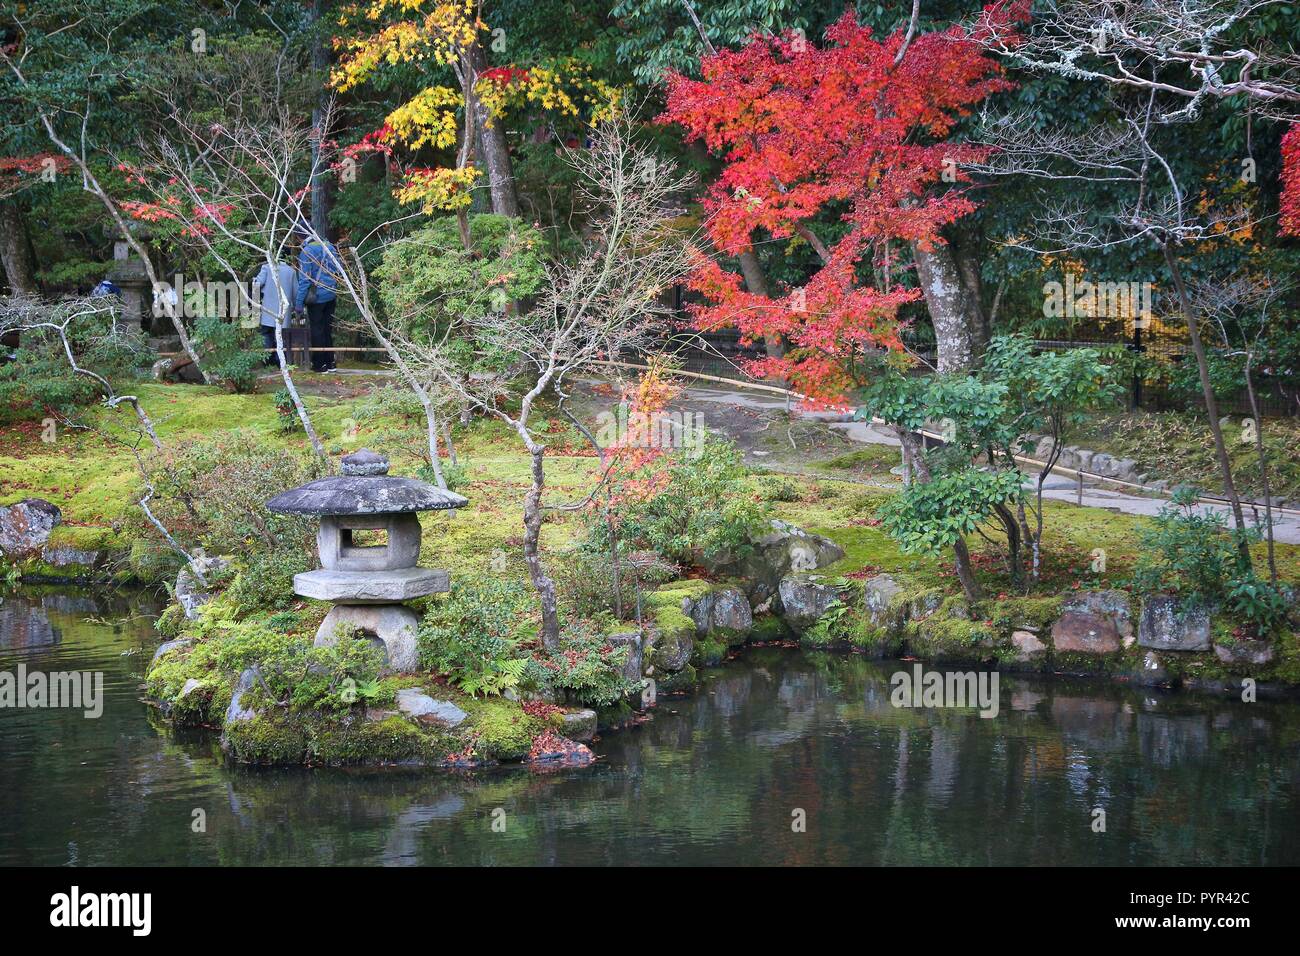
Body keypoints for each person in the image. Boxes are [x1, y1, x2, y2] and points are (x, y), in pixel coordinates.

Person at [293, 229, 340, 372]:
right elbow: (338, 269)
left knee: (317, 330)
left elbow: (305, 280)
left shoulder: (307, 252)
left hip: (317, 297)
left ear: (299, 237)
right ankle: (330, 362)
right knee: (327, 329)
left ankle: (320, 365)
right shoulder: (328, 246)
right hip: (331, 293)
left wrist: (299, 304)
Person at [253, 258, 297, 365]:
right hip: (284, 311)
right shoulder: (291, 271)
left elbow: (257, 284)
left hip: (268, 309)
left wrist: (254, 280)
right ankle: (280, 361)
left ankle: (267, 360)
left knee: (266, 334)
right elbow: (296, 291)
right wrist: (296, 306)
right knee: (281, 336)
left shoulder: (267, 267)